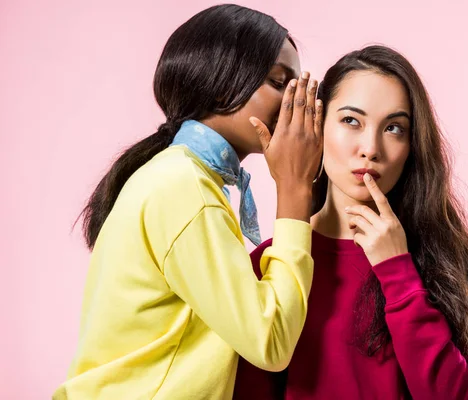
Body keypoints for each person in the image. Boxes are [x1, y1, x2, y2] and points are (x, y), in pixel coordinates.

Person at [53, 4, 323, 399]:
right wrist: (295, 188)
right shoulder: (184, 188)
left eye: (299, 88)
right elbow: (271, 340)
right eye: (279, 82)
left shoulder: (182, 177)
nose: (294, 104)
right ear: (219, 84)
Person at [234, 45, 468, 400]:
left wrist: (397, 270)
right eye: (351, 121)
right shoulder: (270, 263)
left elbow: (451, 395)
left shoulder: (449, 256)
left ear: (412, 145)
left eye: (394, 128)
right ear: (318, 126)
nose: (370, 148)